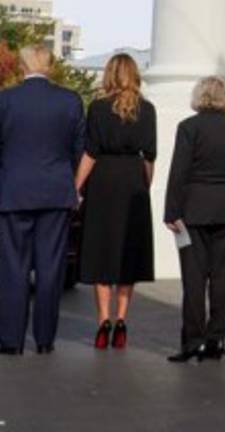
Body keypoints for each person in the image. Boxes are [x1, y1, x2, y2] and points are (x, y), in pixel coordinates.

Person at [0, 44, 85, 356]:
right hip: (56, 192)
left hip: (14, 191)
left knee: (14, 267)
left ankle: (11, 340)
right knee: (51, 267)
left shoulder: (3, 100)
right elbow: (79, 149)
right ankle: (45, 339)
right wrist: (76, 189)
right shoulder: (70, 100)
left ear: (22, 65)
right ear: (50, 65)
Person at [164, 77, 225, 362]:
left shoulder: (188, 127)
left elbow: (179, 171)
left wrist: (171, 211)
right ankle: (216, 339)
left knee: (193, 278)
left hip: (195, 210)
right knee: (223, 279)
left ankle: (193, 341)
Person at [73, 53, 157, 350]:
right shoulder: (147, 110)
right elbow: (149, 156)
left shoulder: (97, 108)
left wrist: (76, 186)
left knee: (101, 250)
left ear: (109, 74)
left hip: (103, 181)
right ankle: (121, 320)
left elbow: (90, 152)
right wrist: (145, 185)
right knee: (128, 251)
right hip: (133, 180)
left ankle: (102, 322)